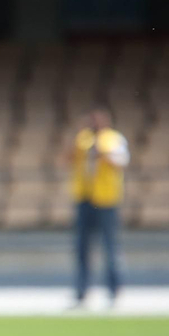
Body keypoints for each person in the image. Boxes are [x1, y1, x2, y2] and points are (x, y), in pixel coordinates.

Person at [67, 105, 129, 308]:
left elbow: (121, 162)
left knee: (109, 247)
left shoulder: (114, 139)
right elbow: (68, 159)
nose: (94, 124)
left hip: (106, 200)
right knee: (82, 248)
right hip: (85, 198)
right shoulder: (83, 139)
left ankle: (114, 290)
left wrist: (104, 155)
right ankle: (81, 292)